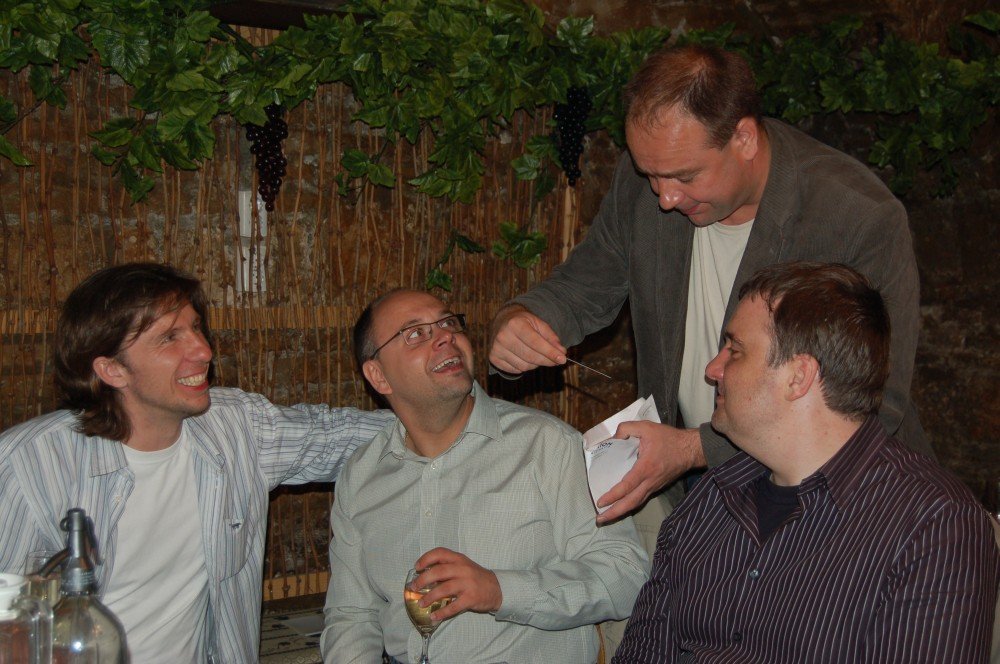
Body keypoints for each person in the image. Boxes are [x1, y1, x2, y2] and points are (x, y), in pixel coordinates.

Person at [488, 44, 933, 537]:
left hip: (835, 501)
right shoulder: (648, 183)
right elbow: (584, 285)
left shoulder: (857, 217)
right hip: (695, 492)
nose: (664, 197)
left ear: (744, 138)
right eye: (650, 174)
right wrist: (522, 320)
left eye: (684, 176)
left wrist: (692, 449)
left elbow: (874, 405)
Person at [0, 263, 392, 663]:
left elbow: (357, 437)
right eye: (170, 337)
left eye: (196, 327)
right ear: (112, 369)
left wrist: (436, 403)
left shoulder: (236, 428)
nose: (204, 350)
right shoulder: (30, 466)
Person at [612, 262, 999, 662]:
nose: (713, 370)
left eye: (735, 351)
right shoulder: (712, 499)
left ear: (799, 376)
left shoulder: (934, 524)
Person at [321, 288, 649, 663]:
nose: (445, 336)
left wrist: (500, 590)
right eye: (416, 333)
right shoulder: (362, 476)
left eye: (448, 323)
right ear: (378, 376)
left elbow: (625, 576)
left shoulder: (546, 445)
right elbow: (351, 616)